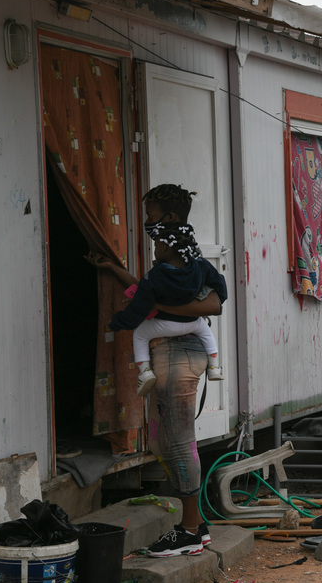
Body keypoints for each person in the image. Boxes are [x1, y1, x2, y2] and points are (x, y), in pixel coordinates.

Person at [88, 184, 221, 555]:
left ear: (170, 219)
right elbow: (148, 293)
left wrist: (165, 309)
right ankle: (197, 526)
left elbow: (213, 306)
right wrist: (116, 270)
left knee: (178, 440)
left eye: (149, 217)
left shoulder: (192, 263)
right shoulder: (170, 266)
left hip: (180, 352)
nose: (146, 224)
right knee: (167, 440)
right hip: (172, 350)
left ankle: (191, 530)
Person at [99, 221, 226, 397]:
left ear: (165, 248)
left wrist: (117, 322)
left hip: (163, 324)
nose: (156, 249)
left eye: (157, 245)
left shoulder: (155, 276)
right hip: (193, 323)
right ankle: (213, 367)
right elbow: (220, 288)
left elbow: (138, 308)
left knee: (140, 334)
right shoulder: (201, 266)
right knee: (206, 333)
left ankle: (144, 372)